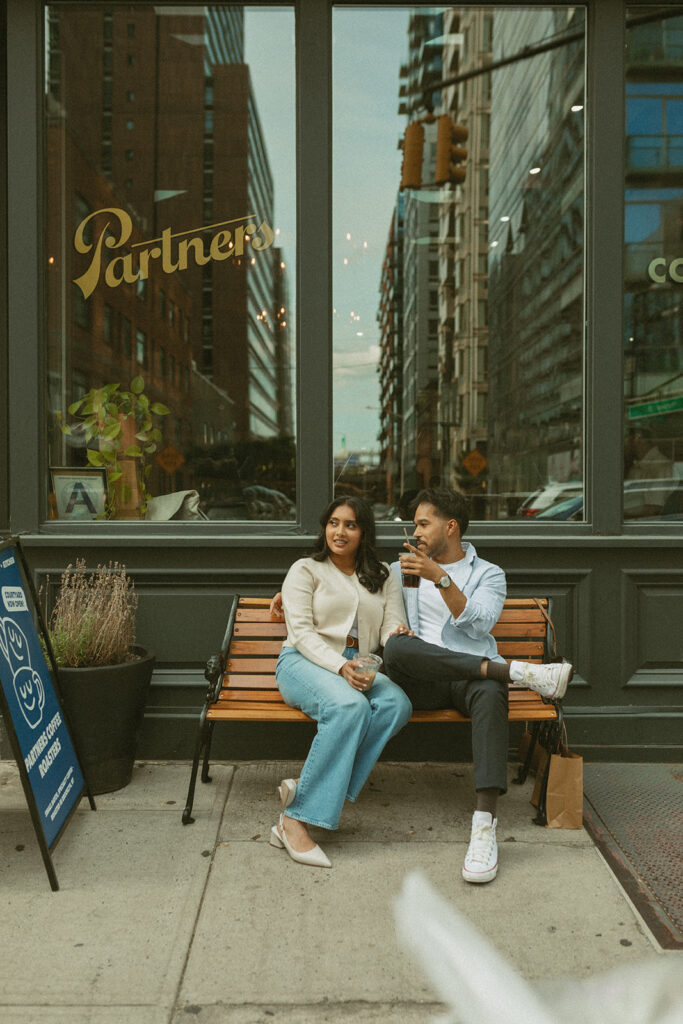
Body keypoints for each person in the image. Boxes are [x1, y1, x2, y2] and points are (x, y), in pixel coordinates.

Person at [382, 487, 574, 885]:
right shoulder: (400, 570)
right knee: (397, 648)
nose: (415, 532)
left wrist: (442, 579)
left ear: (450, 526)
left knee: (488, 691)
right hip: (419, 680)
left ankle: (484, 826)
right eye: (414, 524)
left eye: (423, 523)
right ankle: (514, 672)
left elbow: (481, 623)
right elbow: (351, 590)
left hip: (469, 681)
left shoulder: (489, 574)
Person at [270, 495, 412, 868]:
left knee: (396, 704)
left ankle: (310, 788)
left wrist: (398, 632)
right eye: (334, 522)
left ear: (363, 531)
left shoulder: (382, 575)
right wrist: (339, 666)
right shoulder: (305, 569)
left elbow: (389, 627)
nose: (340, 531)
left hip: (360, 664)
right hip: (303, 663)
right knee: (349, 706)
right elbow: (300, 633)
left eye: (350, 524)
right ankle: (294, 820)